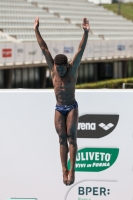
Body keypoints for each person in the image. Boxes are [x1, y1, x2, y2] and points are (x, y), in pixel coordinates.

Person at [34, 17, 90, 186]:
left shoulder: (73, 69)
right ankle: (63, 170)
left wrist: (85, 32)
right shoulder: (53, 69)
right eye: (58, 69)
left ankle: (72, 170)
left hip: (71, 106)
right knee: (61, 139)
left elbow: (80, 50)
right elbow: (44, 48)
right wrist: (36, 30)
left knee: (72, 137)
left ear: (67, 65)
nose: (60, 71)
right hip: (59, 107)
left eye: (62, 68)